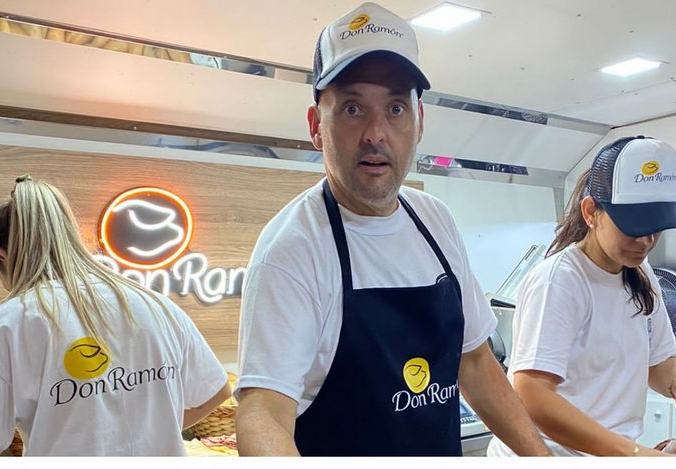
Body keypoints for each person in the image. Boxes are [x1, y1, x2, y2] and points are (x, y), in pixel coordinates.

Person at [234, 2, 550, 456]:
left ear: (419, 123)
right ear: (316, 126)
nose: (375, 133)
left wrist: (541, 458)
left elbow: (476, 362)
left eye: (396, 108)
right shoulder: (292, 250)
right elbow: (264, 411)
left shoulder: (435, 220)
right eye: (353, 108)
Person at [0, 175, 230, 456]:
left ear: (1, 257)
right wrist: (152, 435)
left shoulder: (6, 327)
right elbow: (215, 392)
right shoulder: (155, 304)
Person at [487, 136, 676, 456]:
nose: (646, 240)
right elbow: (532, 395)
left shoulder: (640, 272)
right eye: (634, 227)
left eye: (657, 226)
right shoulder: (560, 281)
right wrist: (637, 455)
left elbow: (661, 360)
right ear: (590, 212)